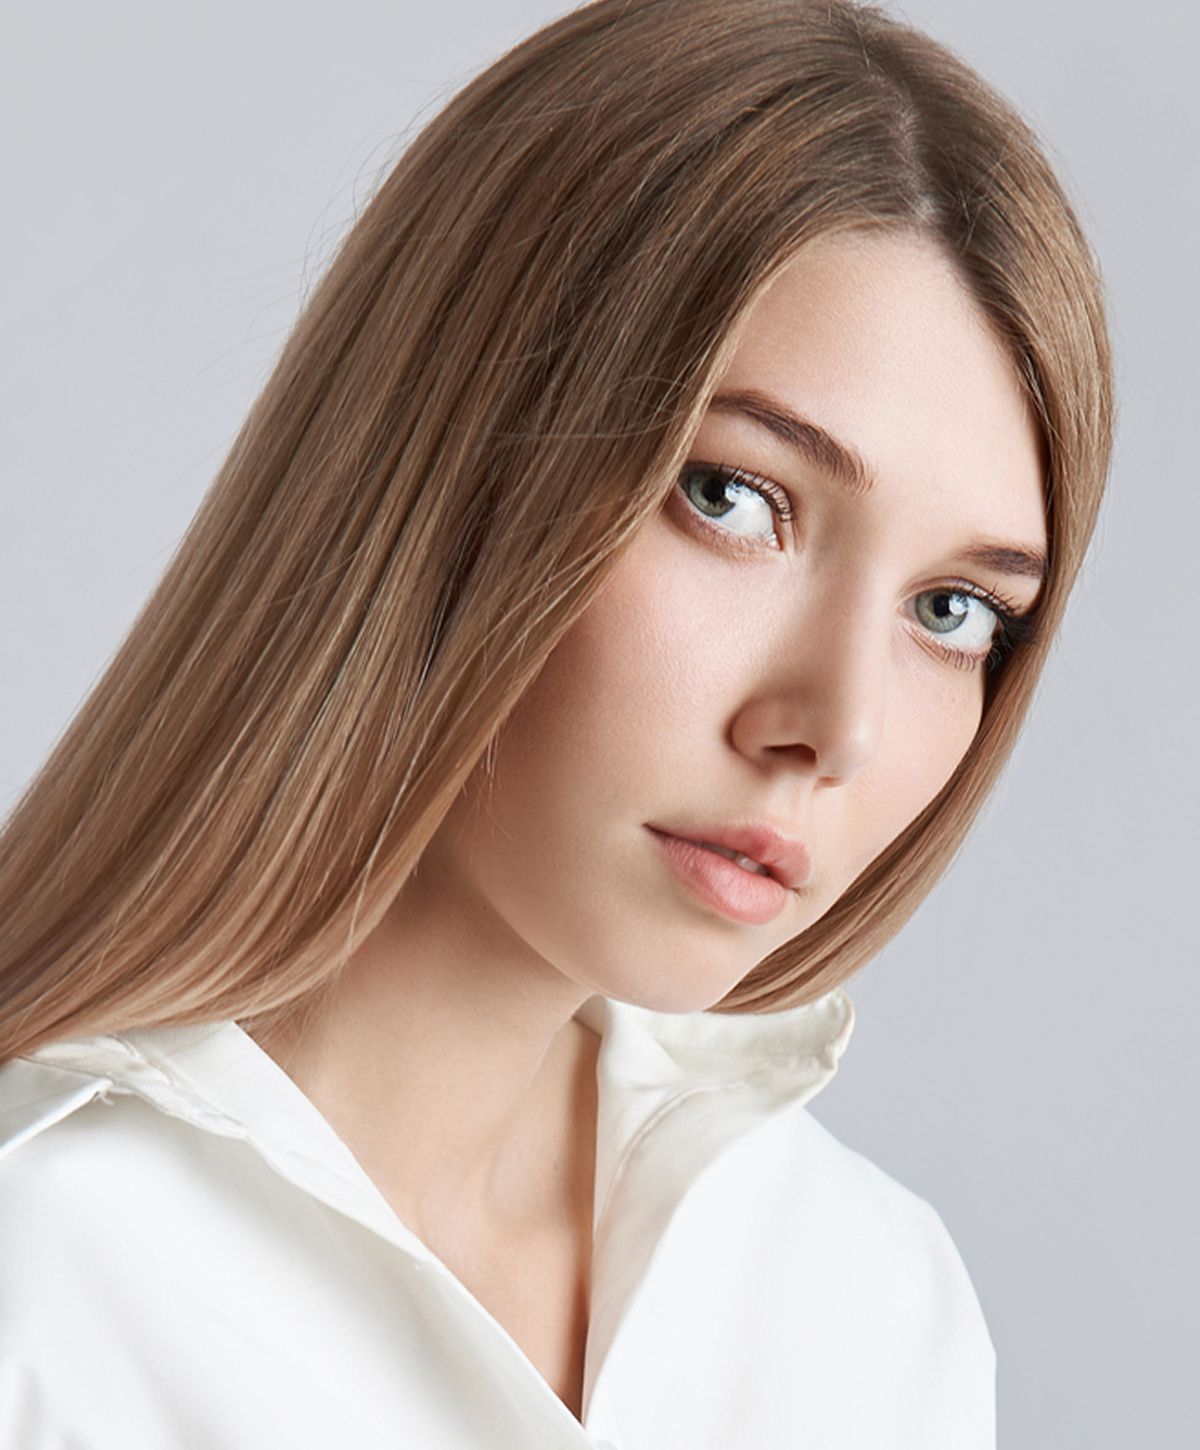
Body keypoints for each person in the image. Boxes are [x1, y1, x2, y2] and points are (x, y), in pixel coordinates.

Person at [0, 0, 1112, 1445]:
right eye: (733, 497)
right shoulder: (47, 1281)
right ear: (452, 461)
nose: (834, 724)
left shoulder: (866, 1306)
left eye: (955, 610)